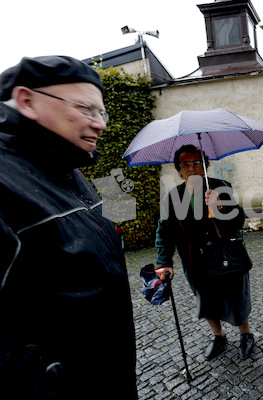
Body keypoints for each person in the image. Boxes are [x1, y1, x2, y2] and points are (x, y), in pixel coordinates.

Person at [0, 56, 137, 398]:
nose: (101, 124)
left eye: (102, 112)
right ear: (27, 100)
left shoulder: (71, 170)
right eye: (87, 109)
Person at [154, 145, 255, 361]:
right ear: (179, 170)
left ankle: (245, 334)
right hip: (196, 261)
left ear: (204, 166)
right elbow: (164, 231)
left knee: (236, 297)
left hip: (226, 255)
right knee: (207, 301)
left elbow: (239, 220)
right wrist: (164, 261)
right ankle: (218, 336)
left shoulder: (221, 187)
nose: (192, 168)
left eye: (196, 163)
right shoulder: (172, 197)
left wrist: (220, 208)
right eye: (186, 164)